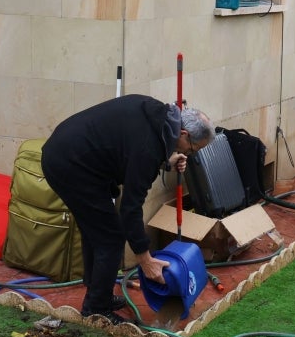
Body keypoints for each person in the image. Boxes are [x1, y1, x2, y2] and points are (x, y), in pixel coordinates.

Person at [41, 95, 214, 322]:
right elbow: (131, 209)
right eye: (192, 149)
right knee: (110, 237)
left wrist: (166, 161)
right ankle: (96, 308)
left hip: (69, 151)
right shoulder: (148, 149)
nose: (190, 154)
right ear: (183, 134)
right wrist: (146, 259)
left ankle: (98, 292)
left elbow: (133, 149)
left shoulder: (158, 115)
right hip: (70, 164)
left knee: (97, 230)